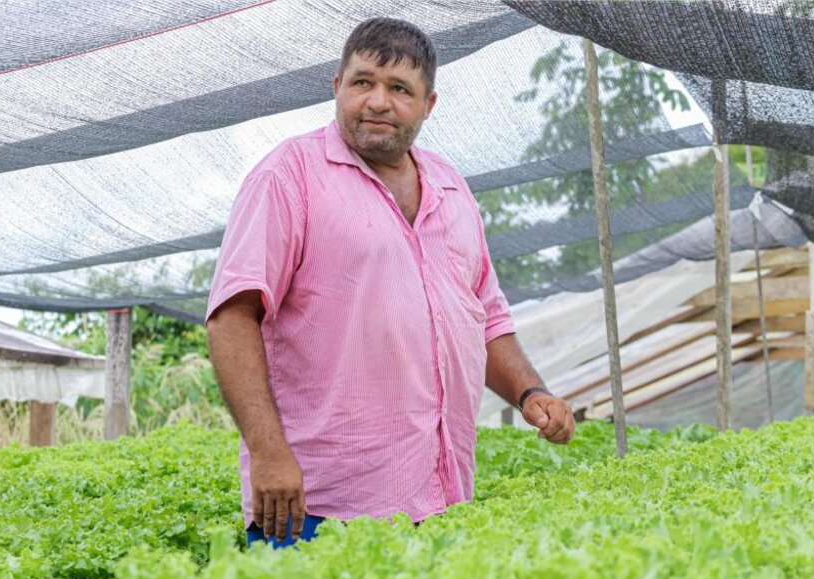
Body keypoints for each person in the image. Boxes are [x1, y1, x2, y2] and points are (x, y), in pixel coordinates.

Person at [205, 17, 575, 550]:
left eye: (399, 89)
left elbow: (485, 316)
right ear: (337, 88)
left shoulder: (452, 189)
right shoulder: (289, 176)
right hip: (317, 504)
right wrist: (267, 451)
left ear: (428, 104)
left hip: (442, 501)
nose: (377, 101)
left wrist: (530, 392)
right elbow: (232, 317)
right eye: (362, 82)